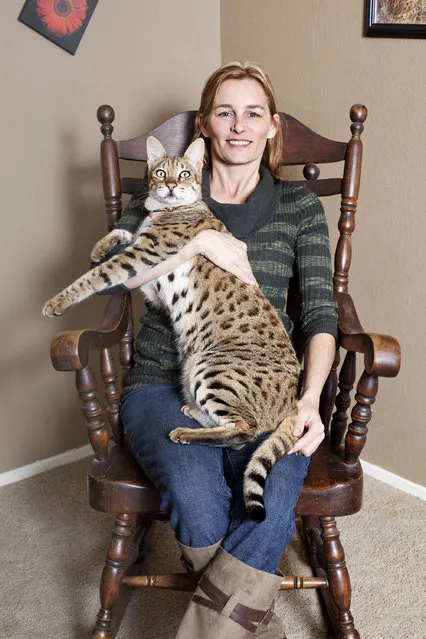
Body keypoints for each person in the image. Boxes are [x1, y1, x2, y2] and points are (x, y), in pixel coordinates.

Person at [112, 62, 338, 638]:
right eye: (224, 112)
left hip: (263, 384)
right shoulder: (165, 191)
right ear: (205, 127)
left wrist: (310, 400)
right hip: (163, 381)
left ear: (272, 127)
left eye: (253, 113)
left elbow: (319, 314)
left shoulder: (299, 208)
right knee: (199, 499)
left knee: (277, 480)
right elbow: (112, 275)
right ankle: (252, 625)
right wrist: (205, 234)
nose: (239, 126)